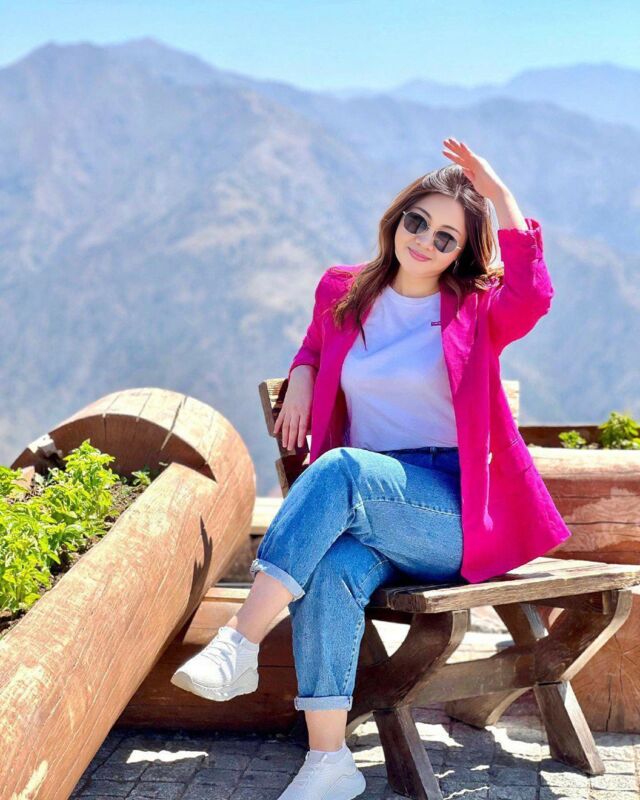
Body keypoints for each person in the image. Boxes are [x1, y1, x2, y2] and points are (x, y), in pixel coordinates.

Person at [170, 137, 572, 800]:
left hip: (448, 509)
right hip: (368, 508)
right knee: (331, 570)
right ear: (397, 218)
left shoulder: (477, 307)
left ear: (461, 252)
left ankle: (240, 640)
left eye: (445, 237)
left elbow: (532, 293)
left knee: (342, 470)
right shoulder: (343, 288)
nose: (424, 241)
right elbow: (316, 342)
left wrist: (497, 194)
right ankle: (328, 762)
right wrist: (303, 371)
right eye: (418, 221)